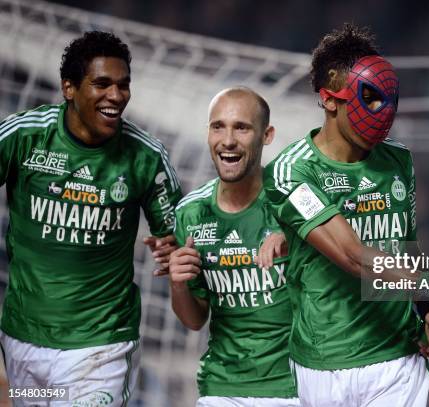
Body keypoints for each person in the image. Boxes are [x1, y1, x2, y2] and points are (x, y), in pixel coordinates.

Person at [263, 24, 429, 406]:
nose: (384, 111)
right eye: (369, 99)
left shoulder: (398, 159)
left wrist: (426, 308)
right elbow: (354, 257)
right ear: (330, 99)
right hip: (323, 366)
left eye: (388, 98)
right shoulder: (292, 172)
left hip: (398, 360)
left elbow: (405, 250)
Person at [0, 31, 182, 406]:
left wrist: (174, 249)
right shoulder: (24, 137)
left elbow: (180, 236)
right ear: (69, 88)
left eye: (123, 85)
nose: (116, 96)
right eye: (102, 84)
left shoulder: (146, 158)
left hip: (101, 346)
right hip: (23, 340)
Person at [168, 87, 300, 407]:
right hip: (221, 387)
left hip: (293, 388)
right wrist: (178, 283)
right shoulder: (190, 212)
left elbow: (353, 267)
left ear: (267, 136)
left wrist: (297, 240)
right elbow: (194, 319)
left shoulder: (293, 202)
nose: (228, 140)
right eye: (218, 127)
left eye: (241, 127)